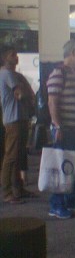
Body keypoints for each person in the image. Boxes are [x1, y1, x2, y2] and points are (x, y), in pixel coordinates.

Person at [47, 39, 75, 219]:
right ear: (73, 53)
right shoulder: (59, 73)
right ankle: (56, 204)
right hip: (65, 130)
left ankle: (71, 200)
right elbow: (52, 101)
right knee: (62, 167)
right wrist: (57, 125)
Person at [0, 45, 37, 204]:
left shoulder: (14, 75)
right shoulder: (8, 74)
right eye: (12, 54)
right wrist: (27, 93)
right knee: (11, 156)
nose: (16, 57)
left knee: (18, 155)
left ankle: (18, 188)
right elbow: (22, 94)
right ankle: (7, 191)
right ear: (4, 58)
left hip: (20, 119)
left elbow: (28, 93)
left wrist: (27, 93)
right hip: (13, 120)